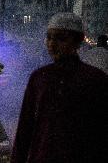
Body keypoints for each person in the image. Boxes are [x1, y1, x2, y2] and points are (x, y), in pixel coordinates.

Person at [11, 12, 107, 163]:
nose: (52, 44)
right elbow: (25, 128)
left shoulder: (95, 80)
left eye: (61, 38)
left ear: (78, 41)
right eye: (49, 37)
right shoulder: (39, 78)